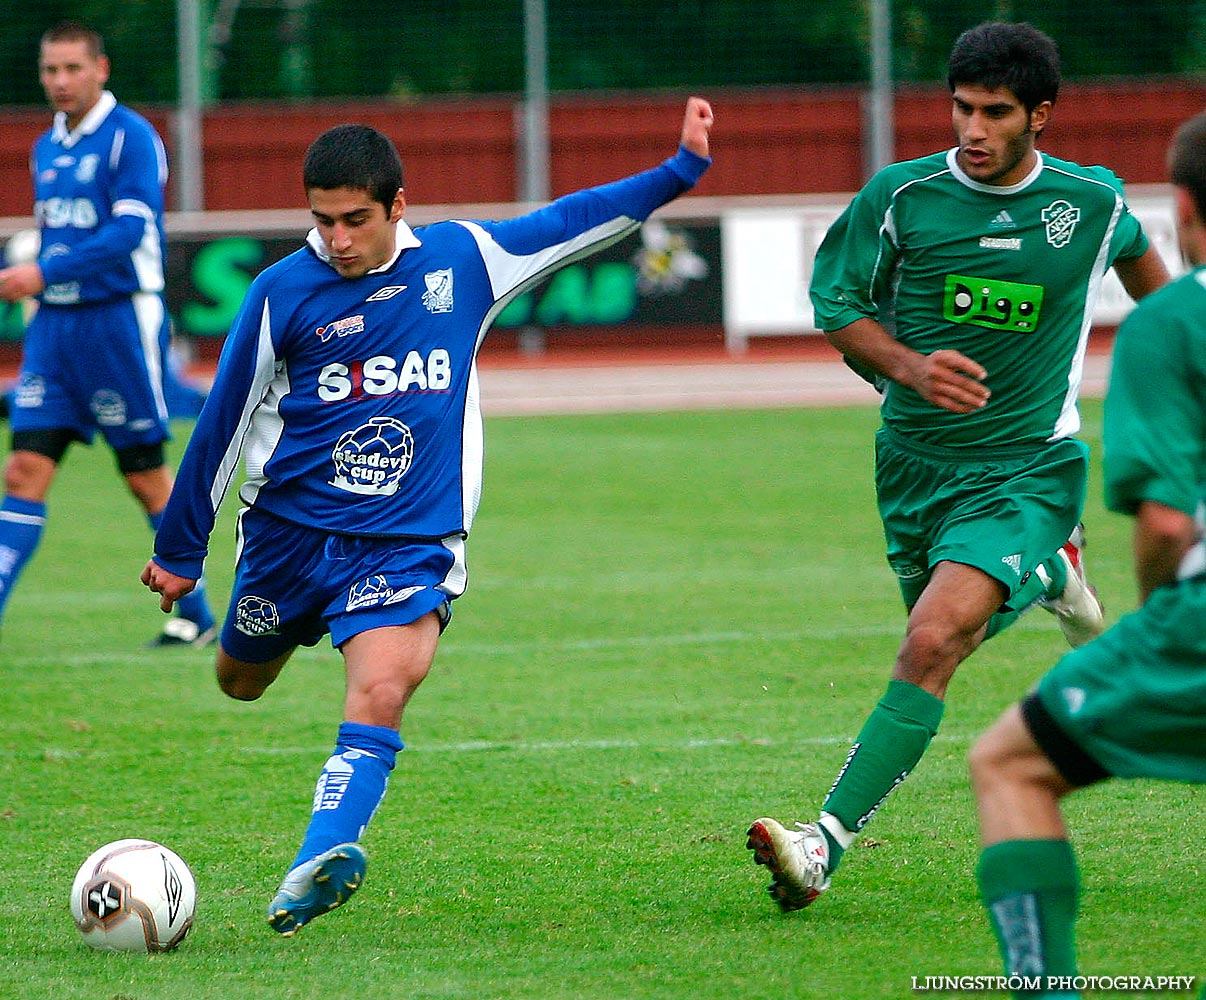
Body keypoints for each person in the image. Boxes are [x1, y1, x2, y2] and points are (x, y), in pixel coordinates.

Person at [142, 98, 714, 935]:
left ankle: (317, 857)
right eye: (322, 221)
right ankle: (282, 648)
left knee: (381, 689)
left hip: (409, 540)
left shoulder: (463, 261)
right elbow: (223, 419)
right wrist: (180, 548)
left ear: (397, 206)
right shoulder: (280, 292)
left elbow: (572, 221)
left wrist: (679, 171)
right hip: (287, 541)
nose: (336, 239)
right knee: (240, 680)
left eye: (355, 220)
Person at [745, 21, 1171, 911]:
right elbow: (837, 301)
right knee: (951, 631)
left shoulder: (1086, 205)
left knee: (931, 642)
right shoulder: (903, 196)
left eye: (995, 113)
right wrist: (906, 365)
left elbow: (1149, 278)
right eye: (962, 109)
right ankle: (1054, 569)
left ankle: (823, 843)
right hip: (912, 468)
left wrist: (1181, 361)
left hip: (1028, 470)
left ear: (1039, 117)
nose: (972, 130)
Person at [967, 110, 1206, 996]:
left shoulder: (1173, 321)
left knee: (1008, 763)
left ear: (1182, 204)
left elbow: (1168, 526)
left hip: (1199, 620)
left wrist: (1155, 620)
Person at [0, 22, 215, 646]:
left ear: (101, 68)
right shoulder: (48, 145)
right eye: (49, 71)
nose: (60, 82)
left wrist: (41, 270)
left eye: (72, 68)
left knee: (145, 475)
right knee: (22, 472)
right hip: (55, 331)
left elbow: (128, 235)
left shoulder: (132, 140)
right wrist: (45, 280)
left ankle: (199, 617)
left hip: (117, 321)